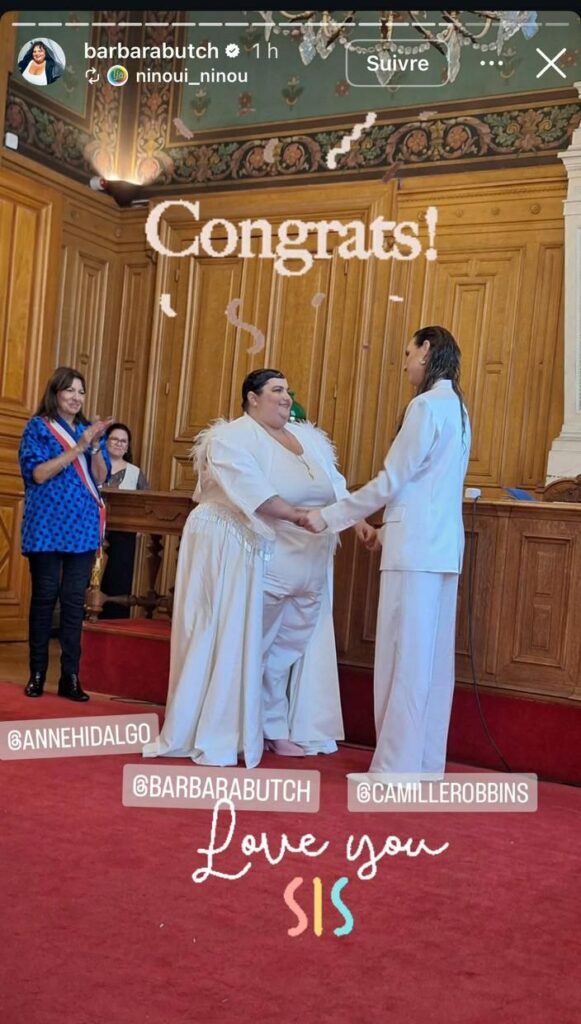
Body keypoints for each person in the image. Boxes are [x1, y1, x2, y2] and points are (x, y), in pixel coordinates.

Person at [143, 368, 376, 768]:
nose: (286, 397)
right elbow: (252, 491)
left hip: (308, 561)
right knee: (255, 642)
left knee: (288, 647)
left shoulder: (307, 439)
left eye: (288, 390)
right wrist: (300, 515)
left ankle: (274, 723)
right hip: (258, 557)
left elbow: (336, 485)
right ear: (252, 397)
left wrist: (358, 521)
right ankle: (245, 727)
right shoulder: (231, 438)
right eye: (277, 390)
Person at [300, 326, 471, 779]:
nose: (405, 362)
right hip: (439, 546)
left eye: (409, 352)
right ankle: (425, 763)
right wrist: (384, 530)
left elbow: (392, 479)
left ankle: (394, 768)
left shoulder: (425, 406)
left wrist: (332, 516)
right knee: (430, 662)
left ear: (427, 350)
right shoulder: (458, 408)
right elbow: (424, 485)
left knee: (401, 656)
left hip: (414, 548)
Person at [19, 367, 112, 701]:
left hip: (82, 526)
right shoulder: (38, 428)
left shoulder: (88, 431)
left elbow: (100, 478)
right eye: (69, 390)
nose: (76, 397)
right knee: (45, 598)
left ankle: (70, 677)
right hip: (46, 525)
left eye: (81, 392)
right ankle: (37, 673)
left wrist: (96, 446)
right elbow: (39, 474)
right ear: (55, 393)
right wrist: (78, 447)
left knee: (74, 603)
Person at [100, 422, 149, 620]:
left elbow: (145, 501)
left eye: (124, 441)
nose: (119, 444)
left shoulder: (135, 472)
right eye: (115, 439)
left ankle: (114, 620)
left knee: (119, 577)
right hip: (93, 528)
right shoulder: (95, 464)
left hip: (124, 530)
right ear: (105, 442)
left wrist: (141, 525)